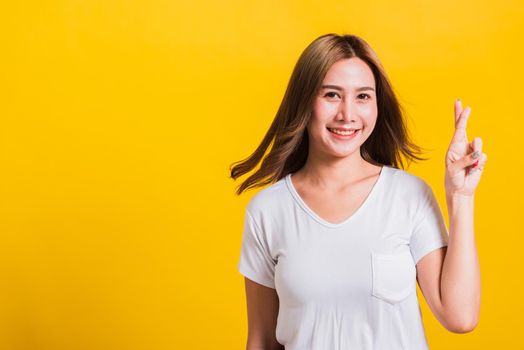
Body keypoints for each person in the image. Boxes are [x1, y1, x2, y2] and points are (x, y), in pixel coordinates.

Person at [229, 33, 486, 350]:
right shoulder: (267, 211)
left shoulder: (408, 196)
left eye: (363, 97)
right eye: (332, 95)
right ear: (304, 101)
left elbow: (460, 316)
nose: (347, 114)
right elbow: (262, 341)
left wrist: (461, 197)